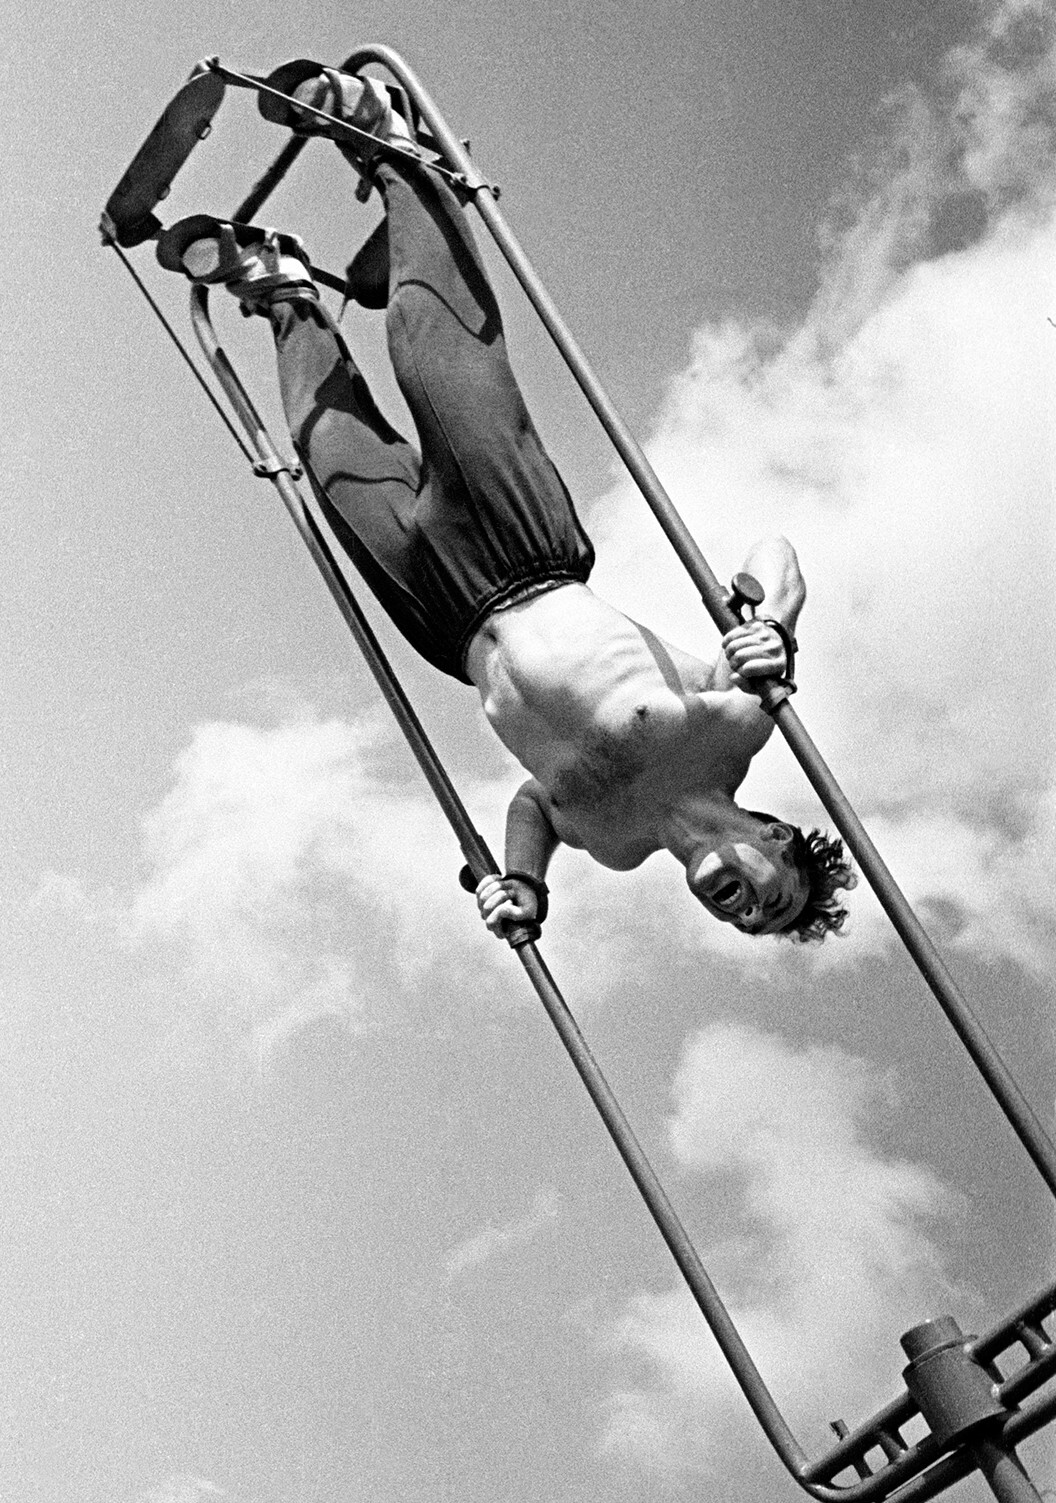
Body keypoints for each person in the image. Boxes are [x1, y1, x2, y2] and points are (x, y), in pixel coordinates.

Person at [156, 61, 855, 942]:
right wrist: (771, 624)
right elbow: (778, 554)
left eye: (751, 923)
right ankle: (393, 152)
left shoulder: (615, 843)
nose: (747, 909)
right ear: (777, 837)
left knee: (327, 452)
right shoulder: (738, 725)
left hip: (446, 620)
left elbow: (535, 803)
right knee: (429, 351)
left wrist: (522, 883)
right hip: (526, 551)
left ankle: (285, 292)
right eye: (774, 894)